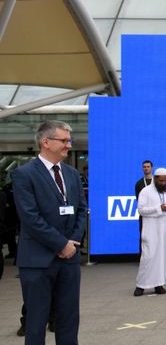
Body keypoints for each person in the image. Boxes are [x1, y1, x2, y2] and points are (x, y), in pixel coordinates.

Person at [12, 120, 87, 345]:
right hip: (37, 261)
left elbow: (81, 210)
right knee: (36, 323)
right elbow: (30, 217)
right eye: (63, 141)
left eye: (69, 141)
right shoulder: (24, 174)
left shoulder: (72, 174)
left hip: (69, 260)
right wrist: (60, 244)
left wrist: (72, 241)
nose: (68, 146)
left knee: (69, 320)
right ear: (45, 142)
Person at [134, 168, 166, 296]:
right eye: (161, 181)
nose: (163, 183)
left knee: (164, 257)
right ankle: (141, 285)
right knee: (149, 257)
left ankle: (159, 284)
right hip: (151, 230)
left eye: (165, 180)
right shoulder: (145, 191)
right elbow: (141, 210)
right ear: (155, 179)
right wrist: (158, 208)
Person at [135, 160, 153, 255]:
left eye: (148, 166)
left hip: (155, 214)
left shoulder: (157, 182)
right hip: (144, 214)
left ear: (151, 168)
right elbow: (139, 200)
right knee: (143, 235)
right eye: (144, 167)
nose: (146, 168)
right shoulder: (139, 184)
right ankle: (143, 256)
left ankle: (155, 256)